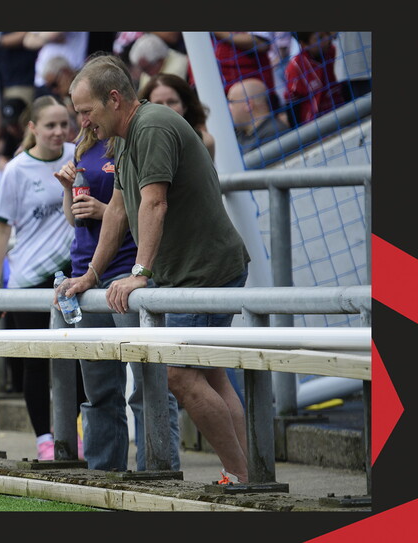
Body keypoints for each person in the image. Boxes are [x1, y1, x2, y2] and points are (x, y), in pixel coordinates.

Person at [61, 55, 251, 482]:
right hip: (194, 271)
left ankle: (242, 477)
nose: (83, 123)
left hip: (203, 273)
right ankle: (247, 475)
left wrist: (140, 270)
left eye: (86, 111)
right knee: (210, 373)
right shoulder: (128, 132)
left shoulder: (151, 126)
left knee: (179, 372)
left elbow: (154, 202)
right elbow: (117, 209)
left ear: (113, 99)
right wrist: (93, 273)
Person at [53, 114, 181, 472]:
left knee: (148, 384)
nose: (82, 118)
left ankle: (158, 471)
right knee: (99, 390)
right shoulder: (84, 147)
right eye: (75, 111)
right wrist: (68, 191)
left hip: (125, 273)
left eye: (85, 108)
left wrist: (103, 210)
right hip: (85, 276)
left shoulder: (128, 143)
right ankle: (103, 473)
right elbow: (74, 220)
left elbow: (139, 210)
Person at [0, 94, 83, 460]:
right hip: (28, 280)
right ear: (33, 128)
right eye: (50, 125)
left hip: (73, 276)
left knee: (79, 357)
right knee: (36, 363)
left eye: (63, 124)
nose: (59, 132)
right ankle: (44, 439)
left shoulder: (79, 154)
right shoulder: (16, 170)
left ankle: (72, 431)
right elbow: (1, 230)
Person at [138, 73, 216, 160]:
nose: (166, 108)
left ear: (185, 106)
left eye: (172, 102)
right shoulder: (139, 145)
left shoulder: (205, 142)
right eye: (158, 104)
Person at [284, 31, 344, 126]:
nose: (327, 39)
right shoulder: (296, 67)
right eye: (319, 38)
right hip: (315, 126)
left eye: (327, 34)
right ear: (304, 44)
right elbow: (292, 106)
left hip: (342, 114)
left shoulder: (334, 52)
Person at [227, 78, 290, 154]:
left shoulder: (273, 133)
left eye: (231, 102)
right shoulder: (241, 133)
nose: (228, 108)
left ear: (248, 104)